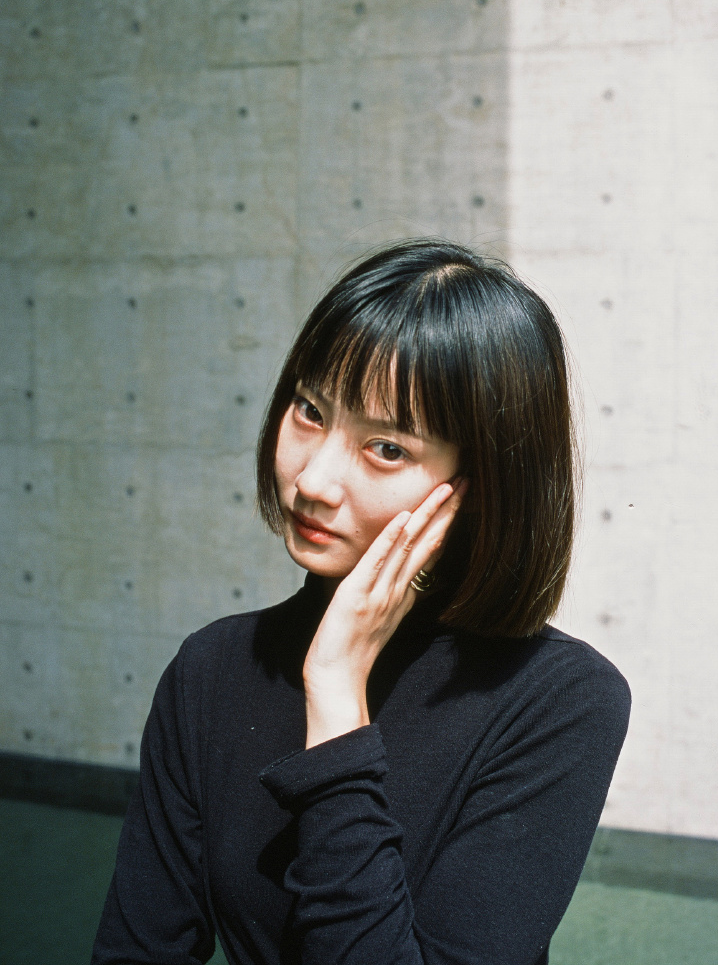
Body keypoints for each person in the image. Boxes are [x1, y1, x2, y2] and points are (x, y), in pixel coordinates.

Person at [92, 239, 631, 965]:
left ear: (482, 485)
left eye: (386, 449)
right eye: (309, 410)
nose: (313, 480)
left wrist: (338, 694)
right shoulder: (212, 668)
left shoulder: (563, 700)